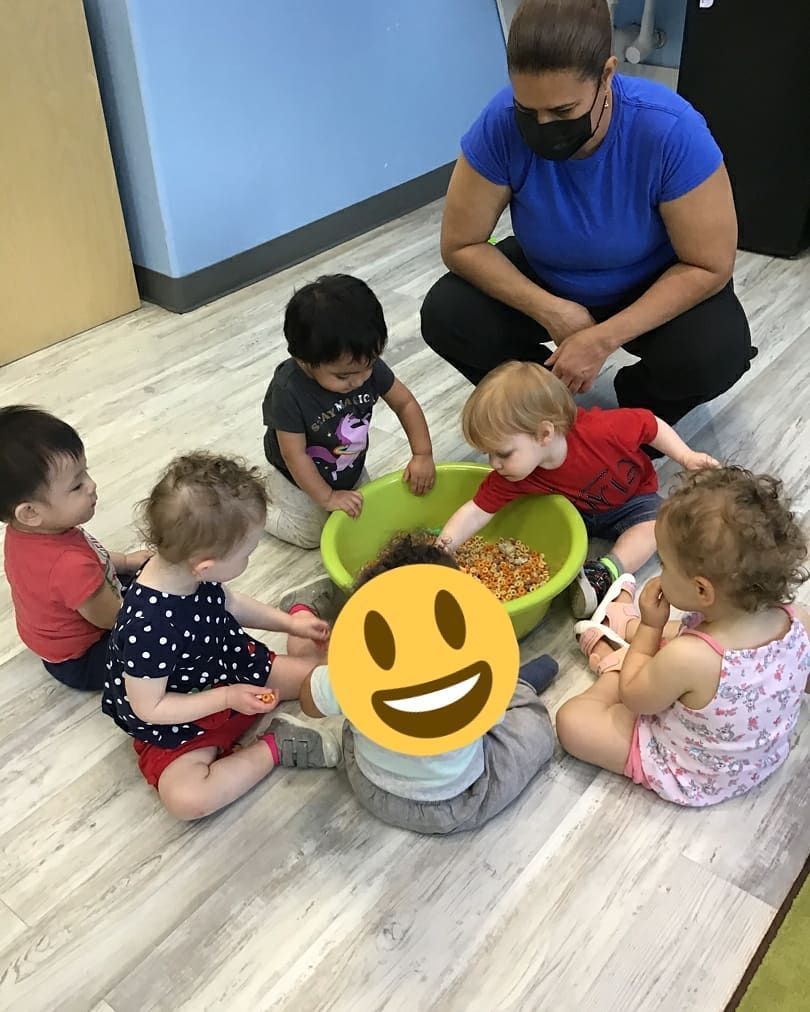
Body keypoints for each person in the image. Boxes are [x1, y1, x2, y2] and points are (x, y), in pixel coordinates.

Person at [420, 0, 754, 426]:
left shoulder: (670, 129)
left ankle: (636, 406)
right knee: (447, 314)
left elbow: (710, 265)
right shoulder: (499, 125)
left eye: (562, 112)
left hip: (649, 278)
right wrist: (550, 310)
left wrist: (601, 340)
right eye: (527, 110)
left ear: (607, 76)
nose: (542, 125)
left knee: (716, 354)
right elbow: (461, 243)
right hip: (550, 274)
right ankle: (542, 399)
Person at [102, 452, 343, 820]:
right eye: (247, 553)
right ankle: (278, 745)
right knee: (187, 799)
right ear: (206, 566)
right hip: (185, 715)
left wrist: (288, 625)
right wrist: (227, 696)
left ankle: (301, 610)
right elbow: (150, 707)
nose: (249, 560)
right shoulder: (147, 627)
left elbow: (228, 602)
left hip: (232, 665)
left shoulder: (187, 572)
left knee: (326, 674)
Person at [556, 466, 810, 807]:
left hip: (694, 773)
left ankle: (614, 661)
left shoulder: (690, 656)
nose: (661, 572)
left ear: (702, 589)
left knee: (573, 722)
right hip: (760, 760)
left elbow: (635, 700)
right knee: (689, 648)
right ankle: (623, 628)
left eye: (665, 565)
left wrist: (650, 628)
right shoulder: (797, 619)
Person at [282, 533, 559, 835]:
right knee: (533, 729)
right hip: (457, 802)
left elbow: (308, 703)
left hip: (370, 786)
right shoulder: (472, 683)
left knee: (355, 717)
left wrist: (338, 666)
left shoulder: (355, 671)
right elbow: (491, 724)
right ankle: (521, 687)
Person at [437, 362, 716, 618]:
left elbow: (651, 425)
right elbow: (475, 512)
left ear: (544, 434)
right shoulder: (513, 475)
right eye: (488, 455)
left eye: (503, 453)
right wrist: (440, 550)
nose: (494, 464)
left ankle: (605, 572)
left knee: (659, 523)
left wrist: (686, 456)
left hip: (632, 499)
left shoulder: (602, 431)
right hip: (577, 514)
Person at [263, 274, 436, 548]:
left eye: (369, 366)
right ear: (304, 361)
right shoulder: (288, 390)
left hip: (346, 467)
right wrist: (328, 498)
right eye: (344, 377)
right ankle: (259, 503)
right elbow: (293, 454)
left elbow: (405, 403)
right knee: (311, 536)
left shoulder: (363, 365)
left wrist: (422, 454)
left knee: (367, 519)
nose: (360, 380)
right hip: (296, 475)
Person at [0, 406, 150, 690]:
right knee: (160, 639)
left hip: (55, 642)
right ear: (30, 512)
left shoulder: (26, 533)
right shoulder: (69, 565)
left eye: (86, 473)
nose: (92, 486)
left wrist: (128, 561)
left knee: (145, 578)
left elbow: (95, 556)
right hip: (83, 660)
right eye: (76, 486)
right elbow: (112, 618)